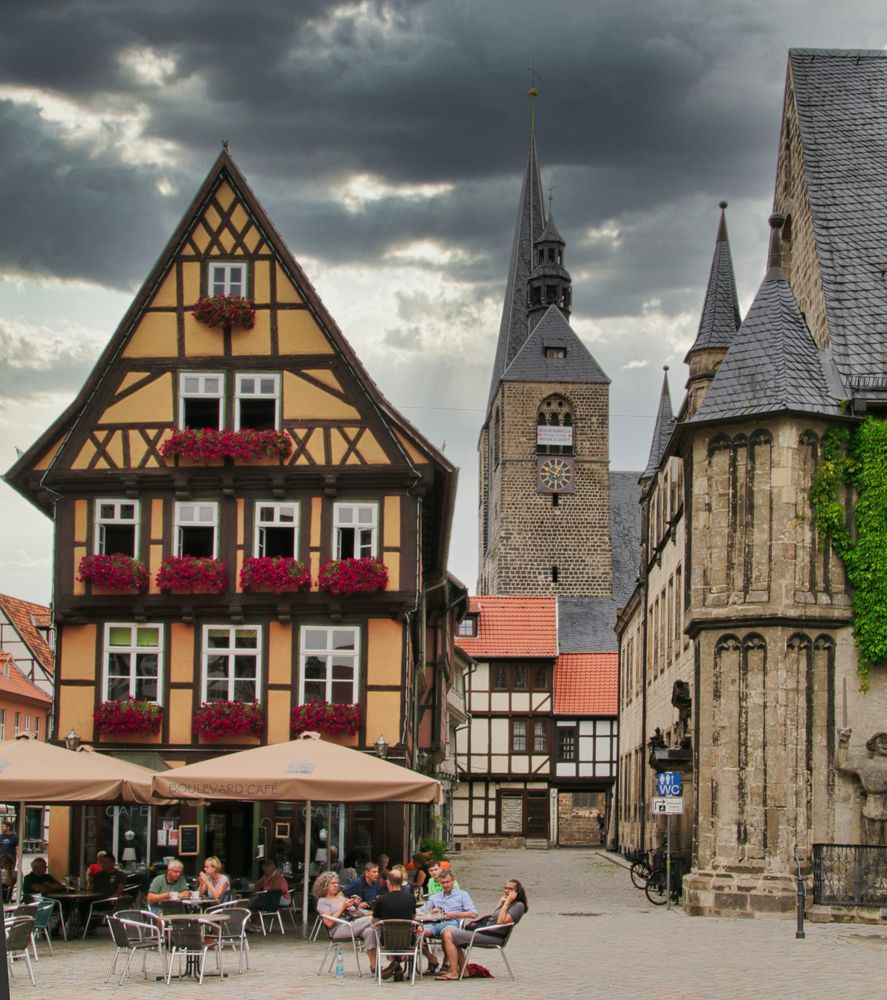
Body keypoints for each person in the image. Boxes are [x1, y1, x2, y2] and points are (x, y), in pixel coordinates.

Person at [438, 878, 528, 981]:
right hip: (486, 932)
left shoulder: (518, 906)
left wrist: (506, 904)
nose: (507, 891)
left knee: (448, 934)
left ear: (517, 891)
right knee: (447, 930)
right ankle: (464, 971)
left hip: (494, 937)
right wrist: (500, 904)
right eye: (505, 888)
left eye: (510, 889)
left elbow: (500, 922)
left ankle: (453, 972)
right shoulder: (508, 902)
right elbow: (493, 918)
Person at [312, 870, 378, 975]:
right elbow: (329, 923)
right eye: (332, 883)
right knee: (373, 921)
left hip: (350, 924)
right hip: (337, 929)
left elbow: (359, 913)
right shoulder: (323, 901)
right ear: (324, 886)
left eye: (336, 883)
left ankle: (374, 967)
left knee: (370, 931)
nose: (335, 885)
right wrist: (343, 907)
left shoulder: (340, 897)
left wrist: (355, 909)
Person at [419, 869, 476, 975]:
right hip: (435, 924)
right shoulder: (435, 897)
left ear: (453, 881)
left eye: (448, 882)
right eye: (443, 883)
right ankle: (431, 958)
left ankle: (450, 968)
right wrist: (432, 912)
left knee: (447, 934)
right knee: (417, 932)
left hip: (452, 923)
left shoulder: (462, 895)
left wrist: (454, 914)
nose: (445, 885)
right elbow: (421, 911)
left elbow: (473, 914)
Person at [372, 868, 418, 980]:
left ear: (388, 882)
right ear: (402, 882)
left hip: (386, 940)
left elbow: (375, 922)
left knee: (381, 934)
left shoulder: (381, 900)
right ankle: (397, 966)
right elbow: (413, 918)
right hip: (408, 940)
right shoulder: (411, 899)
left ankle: (395, 965)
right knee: (408, 935)